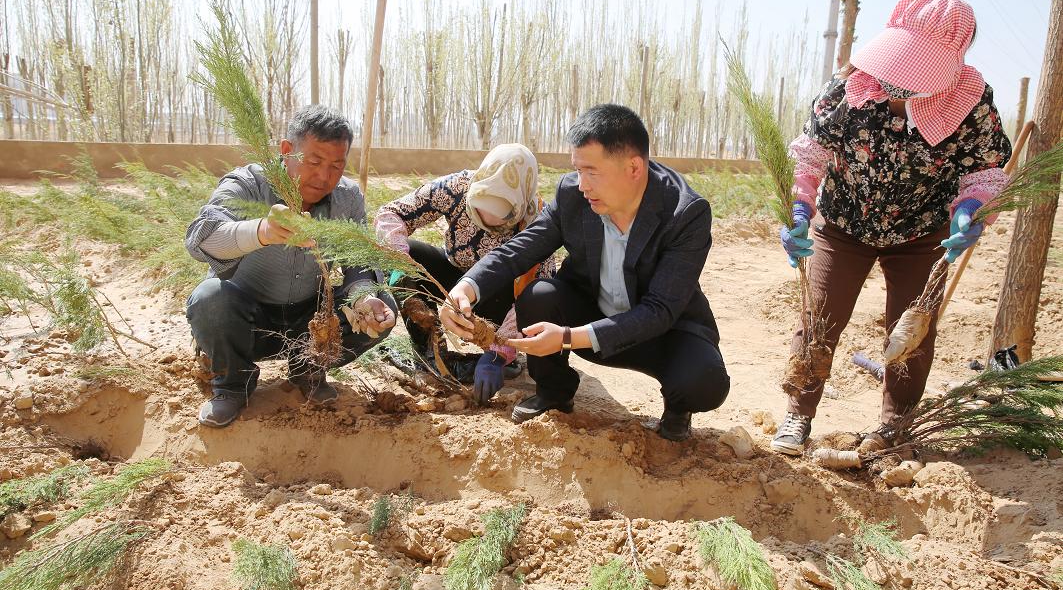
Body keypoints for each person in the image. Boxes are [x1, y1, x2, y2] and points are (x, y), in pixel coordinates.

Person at [770, 0, 1012, 455]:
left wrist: (969, 210)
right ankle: (798, 415)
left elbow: (984, 170)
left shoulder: (971, 102)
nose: (900, 81)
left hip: (922, 234)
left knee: (913, 331)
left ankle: (894, 425)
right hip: (843, 224)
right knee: (820, 316)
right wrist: (801, 208)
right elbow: (811, 155)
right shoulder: (847, 91)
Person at [440, 104, 730, 441]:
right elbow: (520, 249)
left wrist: (566, 337)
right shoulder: (573, 196)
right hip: (589, 313)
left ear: (633, 167)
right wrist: (466, 288)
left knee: (703, 381)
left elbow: (660, 310)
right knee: (539, 295)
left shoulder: (685, 213)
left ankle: (678, 408)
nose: (581, 184)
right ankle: (554, 392)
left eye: (591, 171)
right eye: (577, 170)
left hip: (661, 332)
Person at [185, 105, 397, 428]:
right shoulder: (248, 183)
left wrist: (363, 298)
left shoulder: (348, 198)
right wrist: (262, 232)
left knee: (381, 307)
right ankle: (231, 385)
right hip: (246, 323)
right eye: (313, 162)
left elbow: (359, 266)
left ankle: (308, 368)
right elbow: (201, 238)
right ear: (287, 151)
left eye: (336, 165)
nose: (324, 177)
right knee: (209, 299)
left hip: (308, 325)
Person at [375, 143, 555, 404]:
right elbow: (391, 213)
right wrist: (399, 259)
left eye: (500, 218)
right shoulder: (456, 187)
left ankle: (500, 358)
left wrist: (498, 352)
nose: (486, 220)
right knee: (407, 258)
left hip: (499, 299)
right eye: (479, 210)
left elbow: (535, 294)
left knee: (535, 295)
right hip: (454, 279)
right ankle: (431, 354)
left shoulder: (539, 220)